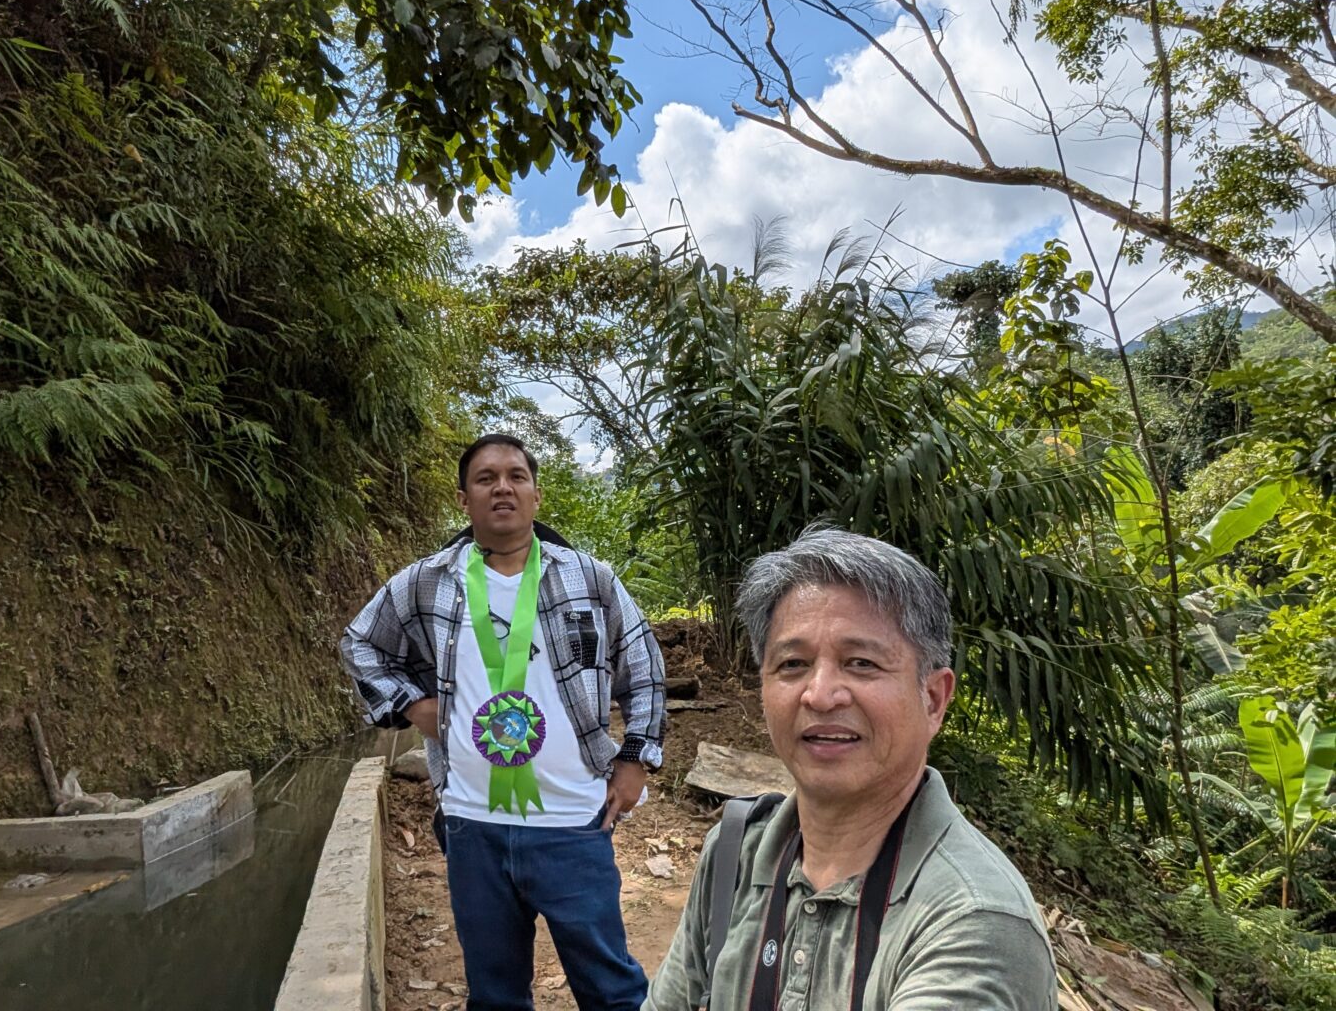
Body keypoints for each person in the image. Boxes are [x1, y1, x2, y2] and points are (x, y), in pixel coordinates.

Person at [644, 528, 1056, 1011]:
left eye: (861, 663)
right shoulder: (735, 853)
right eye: (792, 664)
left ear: (932, 699)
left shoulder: (974, 922)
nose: (820, 695)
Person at [342, 433, 667, 1011]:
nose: (503, 488)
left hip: (573, 821)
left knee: (611, 989)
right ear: (464, 499)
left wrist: (636, 758)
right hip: (473, 825)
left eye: (516, 476)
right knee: (494, 994)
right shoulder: (426, 582)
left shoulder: (591, 580)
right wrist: (411, 705)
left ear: (536, 495)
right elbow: (361, 642)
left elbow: (642, 667)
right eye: (486, 478)